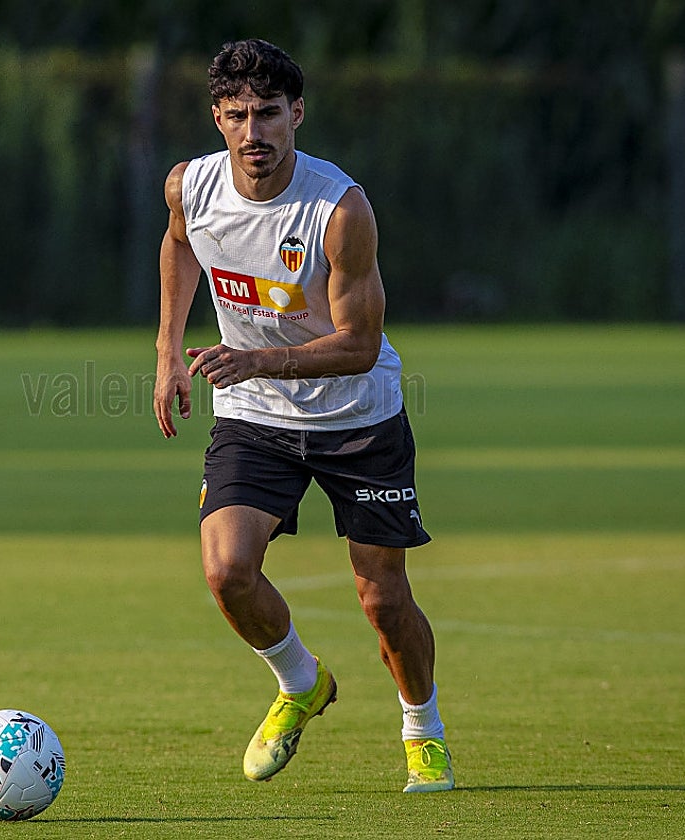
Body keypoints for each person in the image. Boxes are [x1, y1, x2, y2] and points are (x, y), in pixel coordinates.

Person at [152, 38, 453, 793]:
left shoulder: (339, 209)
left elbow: (360, 345)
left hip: (358, 416)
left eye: (268, 113)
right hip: (255, 415)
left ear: (298, 114)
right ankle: (300, 683)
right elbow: (180, 245)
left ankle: (423, 731)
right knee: (227, 571)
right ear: (217, 119)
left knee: (383, 599)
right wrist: (167, 352)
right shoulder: (191, 186)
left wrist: (256, 360)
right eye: (237, 116)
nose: (253, 131)